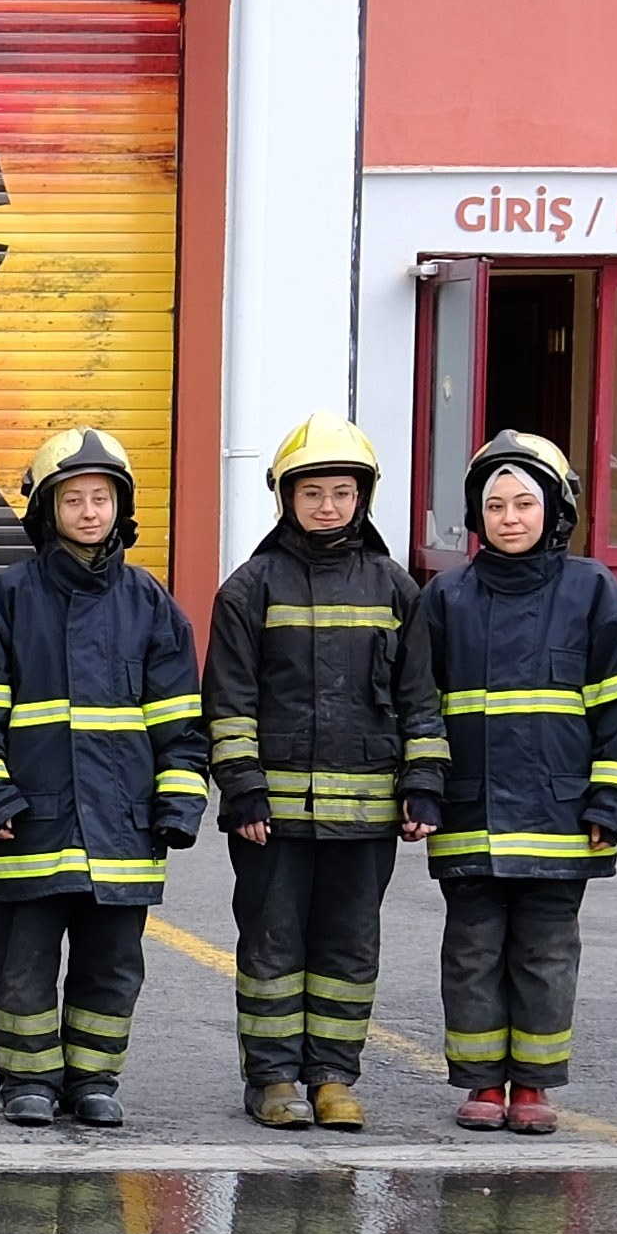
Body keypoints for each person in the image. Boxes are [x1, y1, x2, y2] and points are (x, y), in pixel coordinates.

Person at [0, 430, 208, 1128]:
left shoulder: (150, 603)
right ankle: (27, 1083)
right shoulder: (7, 598)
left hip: (124, 825)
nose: (90, 511)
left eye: (101, 498)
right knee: (23, 963)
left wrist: (178, 805)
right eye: (74, 498)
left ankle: (95, 1079)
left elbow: (181, 722)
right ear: (46, 509)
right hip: (29, 820)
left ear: (120, 507)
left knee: (112, 964)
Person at [407, 431, 617, 1136]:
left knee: (546, 952)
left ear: (555, 510)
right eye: (495, 505)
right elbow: (421, 702)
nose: (510, 517)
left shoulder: (594, 591)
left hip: (561, 813)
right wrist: (424, 788)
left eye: (525, 503)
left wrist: (611, 799)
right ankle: (482, 1084)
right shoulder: (446, 598)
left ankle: (534, 1086)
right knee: (473, 949)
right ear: (476, 517)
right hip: (470, 810)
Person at [206, 415, 423, 1132]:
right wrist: (243, 791)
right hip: (273, 815)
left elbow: (422, 698)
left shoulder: (396, 588)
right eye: (313, 493)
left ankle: (333, 1076)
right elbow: (230, 702)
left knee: (348, 947)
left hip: (366, 813)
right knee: (271, 942)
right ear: (286, 499)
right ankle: (271, 1079)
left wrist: (422, 785)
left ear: (362, 498)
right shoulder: (250, 589)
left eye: (341, 492)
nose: (327, 506)